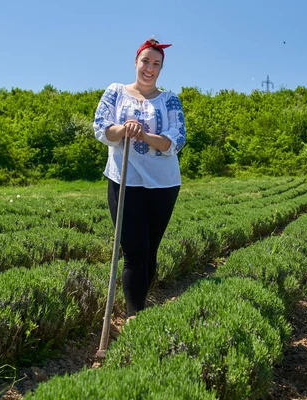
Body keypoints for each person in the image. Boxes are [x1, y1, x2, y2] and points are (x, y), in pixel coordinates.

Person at [93, 38, 186, 320]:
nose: (150, 68)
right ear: (136, 62)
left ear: (161, 69)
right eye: (146, 61)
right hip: (124, 180)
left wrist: (143, 134)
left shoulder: (170, 100)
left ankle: (140, 305)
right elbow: (101, 129)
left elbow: (175, 142)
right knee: (134, 251)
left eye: (156, 64)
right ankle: (136, 316)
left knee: (149, 252)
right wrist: (123, 129)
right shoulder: (116, 92)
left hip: (163, 184)